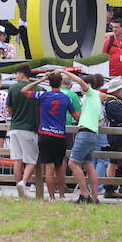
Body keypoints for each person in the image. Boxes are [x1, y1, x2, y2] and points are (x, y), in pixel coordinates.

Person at [34, 72, 76, 201]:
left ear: (49, 83)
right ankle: (62, 195)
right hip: (59, 136)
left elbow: (25, 90)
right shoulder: (66, 99)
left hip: (45, 135)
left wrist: (41, 80)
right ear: (61, 83)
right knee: (60, 168)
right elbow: (76, 116)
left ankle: (51, 197)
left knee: (48, 168)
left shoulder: (43, 95)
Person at [6, 65, 43, 197]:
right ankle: (23, 182)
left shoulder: (12, 88)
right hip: (30, 128)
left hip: (15, 128)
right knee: (32, 160)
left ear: (21, 74)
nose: (16, 76)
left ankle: (18, 188)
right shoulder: (39, 89)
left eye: (16, 74)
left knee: (17, 160)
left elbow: (9, 110)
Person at [67, 72, 104, 204]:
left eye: (82, 86)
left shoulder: (90, 93)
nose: (80, 88)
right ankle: (94, 197)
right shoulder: (95, 98)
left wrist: (64, 72)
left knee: (72, 163)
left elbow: (80, 81)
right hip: (93, 133)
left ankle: (84, 194)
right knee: (89, 165)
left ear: (88, 85)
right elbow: (101, 121)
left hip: (85, 132)